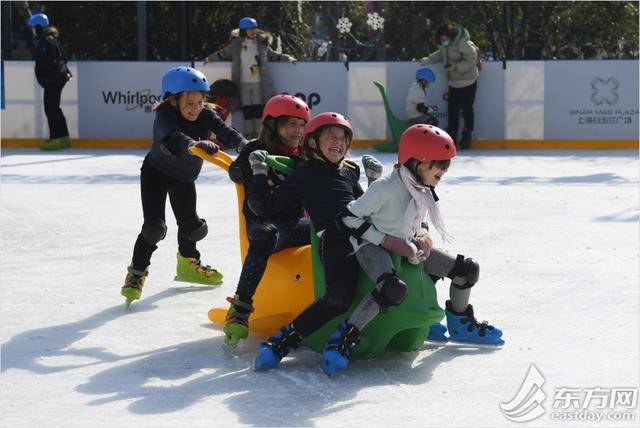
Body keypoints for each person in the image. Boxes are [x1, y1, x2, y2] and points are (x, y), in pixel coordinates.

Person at [325, 124, 504, 375]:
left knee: (467, 270)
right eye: (440, 165)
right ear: (418, 162)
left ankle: (460, 323)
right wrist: (386, 241)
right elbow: (346, 218)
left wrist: (424, 237)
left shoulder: (421, 187)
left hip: (406, 243)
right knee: (390, 288)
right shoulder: (384, 188)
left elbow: (417, 220)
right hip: (370, 246)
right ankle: (344, 337)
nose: (444, 171)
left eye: (446, 165)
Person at [245, 112, 383, 370]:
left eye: (343, 138)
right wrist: (260, 173)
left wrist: (375, 183)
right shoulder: (305, 175)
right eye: (331, 136)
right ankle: (282, 341)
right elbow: (267, 207)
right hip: (336, 240)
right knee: (338, 299)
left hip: (367, 235)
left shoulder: (349, 174)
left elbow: (368, 207)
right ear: (312, 142)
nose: (338, 142)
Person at [121, 66, 249, 305]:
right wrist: (195, 144)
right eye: (189, 103)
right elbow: (173, 137)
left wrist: (244, 145)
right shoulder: (165, 116)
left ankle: (189, 264)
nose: (196, 108)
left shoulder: (206, 115)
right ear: (173, 100)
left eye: (200, 102)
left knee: (193, 228)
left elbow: (226, 131)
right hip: (156, 174)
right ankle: (136, 274)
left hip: (183, 178)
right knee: (154, 228)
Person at [222, 94, 312, 347]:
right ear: (273, 125)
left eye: (302, 124)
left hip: (296, 225)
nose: (298, 130)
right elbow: (234, 171)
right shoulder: (256, 149)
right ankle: (240, 308)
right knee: (265, 235)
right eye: (291, 124)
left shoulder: (303, 154)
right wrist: (251, 167)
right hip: (267, 225)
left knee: (335, 230)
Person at [203, 17, 298, 139]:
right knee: (247, 110)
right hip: (243, 83)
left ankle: (258, 135)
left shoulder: (262, 44)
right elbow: (223, 53)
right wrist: (209, 59)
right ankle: (248, 136)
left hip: (258, 82)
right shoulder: (237, 45)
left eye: (254, 28)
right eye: (249, 29)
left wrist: (288, 58)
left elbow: (274, 55)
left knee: (258, 110)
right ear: (243, 31)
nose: (252, 31)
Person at [421, 24, 480, 150]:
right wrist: (428, 60)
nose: (443, 42)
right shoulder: (445, 45)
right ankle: (451, 136)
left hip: (468, 81)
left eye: (444, 38)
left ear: (450, 35)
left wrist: (455, 66)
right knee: (452, 111)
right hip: (453, 83)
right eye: (441, 40)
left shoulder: (462, 43)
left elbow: (472, 59)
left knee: (467, 109)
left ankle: (466, 135)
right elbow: (441, 54)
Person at [27, 13, 72, 151]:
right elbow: (62, 58)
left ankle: (56, 138)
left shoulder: (45, 42)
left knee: (51, 108)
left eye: (35, 27)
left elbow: (45, 63)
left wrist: (45, 78)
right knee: (54, 108)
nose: (33, 30)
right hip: (57, 78)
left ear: (40, 27)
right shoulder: (51, 39)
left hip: (53, 79)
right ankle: (63, 137)